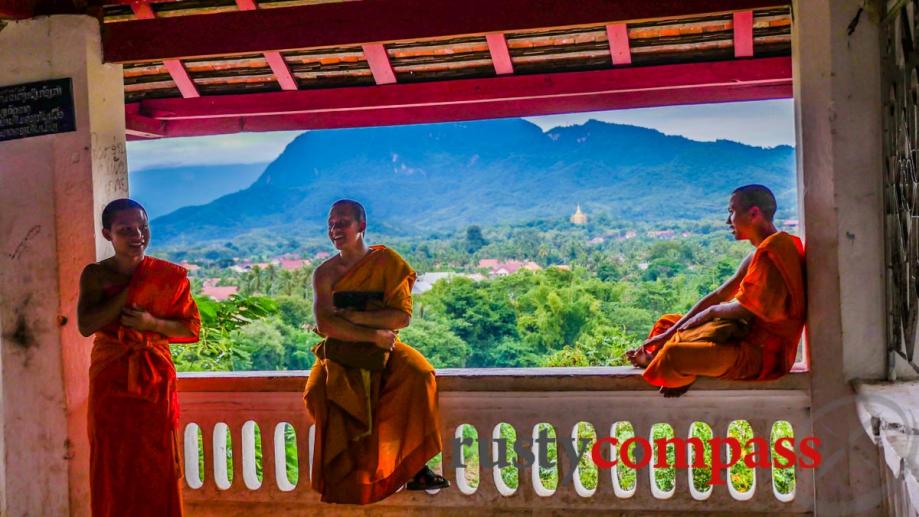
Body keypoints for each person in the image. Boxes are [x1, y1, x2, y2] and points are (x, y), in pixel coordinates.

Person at [304, 199, 448, 504]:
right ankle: (348, 474)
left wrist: (351, 317)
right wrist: (371, 335)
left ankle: (414, 466)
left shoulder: (388, 264)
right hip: (342, 349)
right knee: (316, 392)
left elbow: (400, 317)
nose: (335, 229)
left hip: (386, 345)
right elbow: (326, 324)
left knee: (420, 375)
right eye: (331, 224)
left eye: (343, 222)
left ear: (361, 226)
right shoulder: (325, 273)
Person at [77, 198, 200, 516]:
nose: (137, 235)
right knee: (111, 460)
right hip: (111, 381)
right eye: (125, 229)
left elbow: (191, 330)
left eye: (142, 227)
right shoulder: (96, 275)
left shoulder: (167, 276)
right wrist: (129, 292)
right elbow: (86, 325)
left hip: (152, 381)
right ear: (108, 234)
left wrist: (152, 324)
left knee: (155, 463)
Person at [626, 185, 806, 397]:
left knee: (674, 354)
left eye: (731, 212)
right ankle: (661, 359)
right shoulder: (759, 254)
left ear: (754, 213)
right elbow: (720, 295)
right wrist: (669, 332)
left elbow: (746, 311)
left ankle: (665, 364)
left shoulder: (775, 252)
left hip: (759, 351)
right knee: (668, 322)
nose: (728, 221)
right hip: (738, 335)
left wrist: (710, 313)